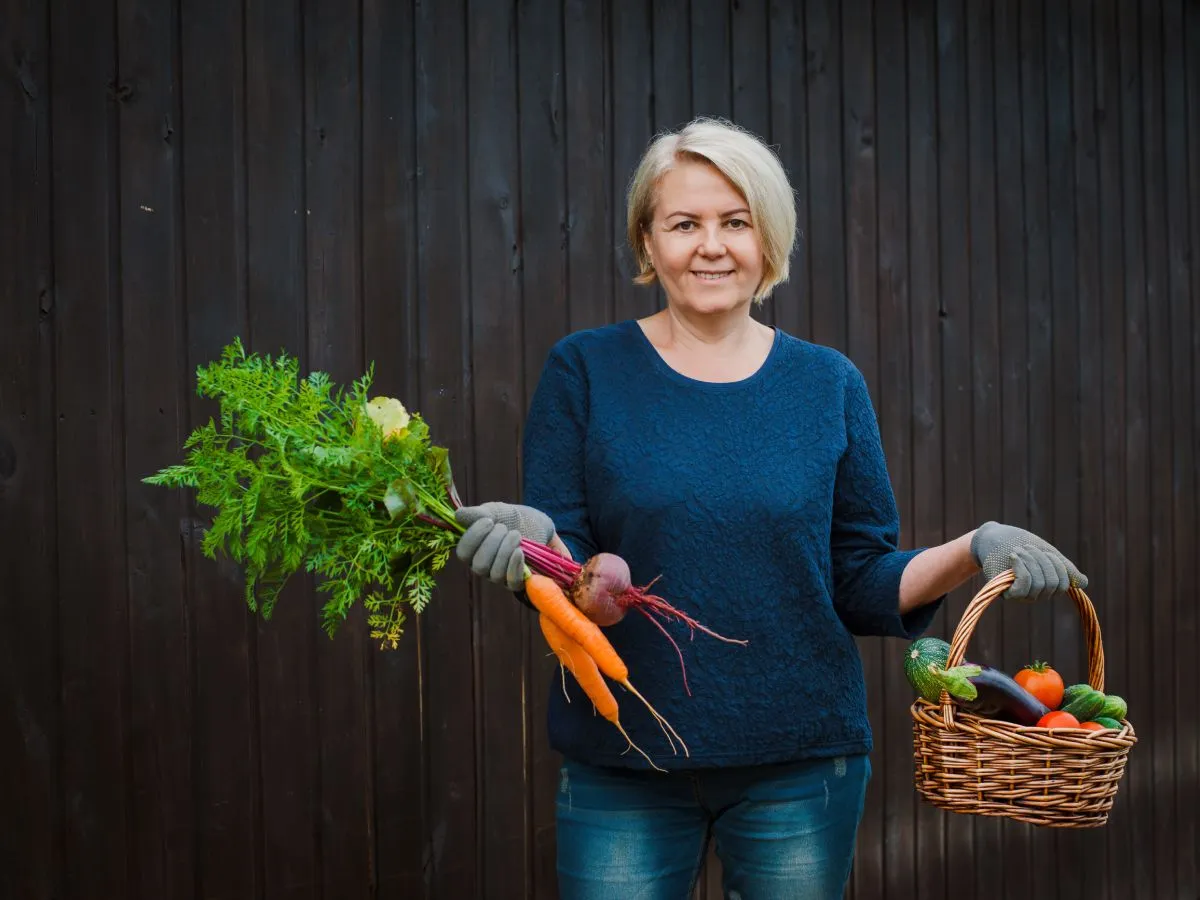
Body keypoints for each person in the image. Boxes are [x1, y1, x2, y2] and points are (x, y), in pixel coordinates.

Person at [453, 117, 1085, 900]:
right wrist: (539, 552)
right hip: (626, 760)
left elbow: (857, 576)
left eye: (735, 222)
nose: (710, 246)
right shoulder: (584, 370)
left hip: (801, 765)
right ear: (648, 243)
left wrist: (974, 546)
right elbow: (571, 567)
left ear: (768, 241)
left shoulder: (828, 385)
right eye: (684, 224)